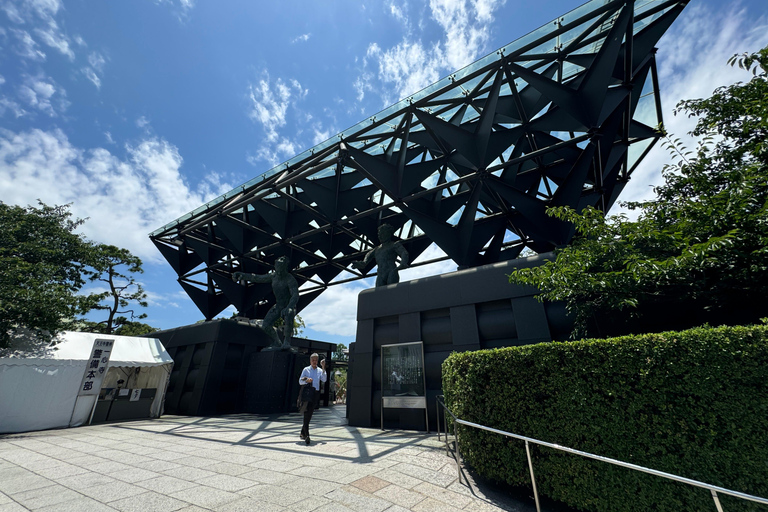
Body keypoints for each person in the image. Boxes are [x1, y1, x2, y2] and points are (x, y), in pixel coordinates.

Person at [232, 256, 299, 349]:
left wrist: (290, 307)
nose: (278, 271)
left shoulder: (289, 279)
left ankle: (286, 342)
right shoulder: (273, 276)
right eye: (277, 267)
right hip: (279, 305)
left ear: (284, 268)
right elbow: (257, 278)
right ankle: (277, 342)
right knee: (266, 325)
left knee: (289, 314)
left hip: (289, 305)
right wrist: (242, 275)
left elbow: (295, 295)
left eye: (280, 268)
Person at [298, 353, 326, 445]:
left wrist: (323, 367)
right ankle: (307, 435)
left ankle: (303, 432)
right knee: (307, 413)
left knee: (309, 413)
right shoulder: (306, 369)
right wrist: (307, 380)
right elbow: (300, 381)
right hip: (307, 393)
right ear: (310, 361)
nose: (314, 361)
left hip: (315, 394)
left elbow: (324, 379)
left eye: (316, 360)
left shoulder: (319, 370)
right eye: (313, 360)